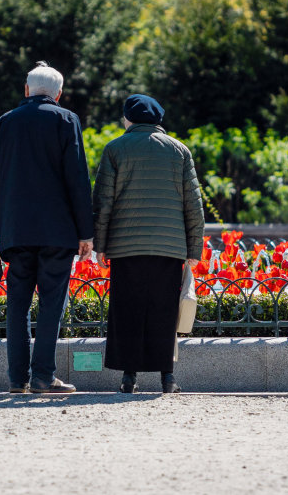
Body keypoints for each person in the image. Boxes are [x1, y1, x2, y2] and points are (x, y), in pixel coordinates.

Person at [0, 61, 94, 394]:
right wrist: (85, 232)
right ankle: (43, 375)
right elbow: (77, 179)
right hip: (57, 232)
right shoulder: (65, 120)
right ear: (58, 93)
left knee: (17, 304)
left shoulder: (3, 124)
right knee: (51, 302)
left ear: (26, 90)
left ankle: (17, 378)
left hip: (15, 232)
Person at [92, 94, 204, 394]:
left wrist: (99, 246)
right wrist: (194, 250)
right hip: (169, 248)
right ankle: (168, 378)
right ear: (158, 120)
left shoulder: (115, 149)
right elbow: (194, 205)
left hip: (126, 247)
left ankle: (129, 377)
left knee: (127, 310)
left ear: (128, 119)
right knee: (163, 312)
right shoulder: (180, 151)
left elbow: (103, 202)